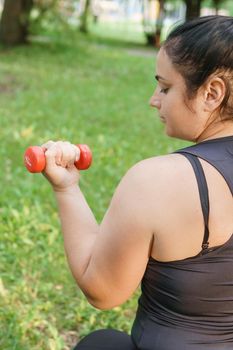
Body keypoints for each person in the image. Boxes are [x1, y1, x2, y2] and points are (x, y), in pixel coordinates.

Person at [41, 15, 233, 350]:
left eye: (165, 86)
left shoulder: (160, 181)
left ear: (212, 93)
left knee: (103, 346)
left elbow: (102, 289)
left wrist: (66, 187)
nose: (154, 99)